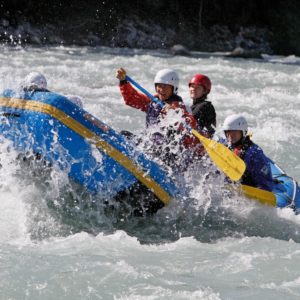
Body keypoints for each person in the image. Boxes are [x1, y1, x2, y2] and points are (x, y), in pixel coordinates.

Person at [116, 67, 201, 168]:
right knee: (123, 136)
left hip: (170, 155)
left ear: (174, 88)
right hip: (150, 146)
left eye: (165, 87)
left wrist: (175, 112)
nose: (161, 90)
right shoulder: (153, 102)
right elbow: (131, 99)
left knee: (159, 149)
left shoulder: (180, 106)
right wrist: (123, 81)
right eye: (159, 86)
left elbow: (191, 124)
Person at [222, 114, 273, 191]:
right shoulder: (225, 146)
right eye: (228, 132)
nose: (230, 136)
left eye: (234, 132)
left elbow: (265, 182)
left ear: (243, 132)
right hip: (232, 186)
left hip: (250, 186)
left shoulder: (254, 153)